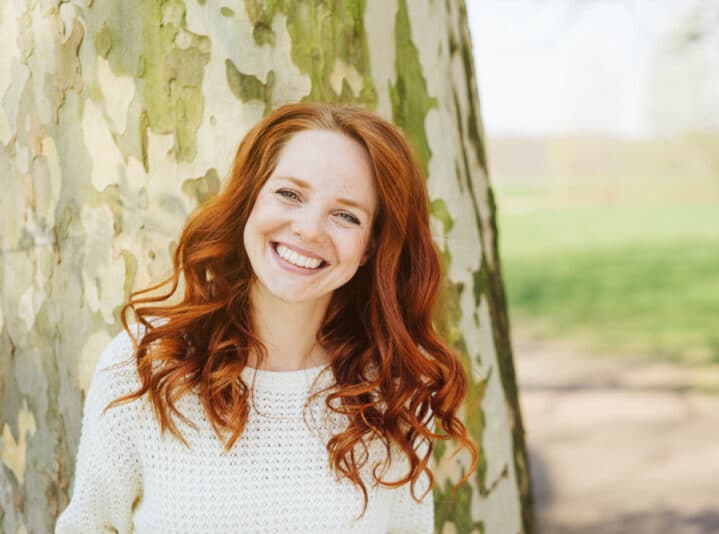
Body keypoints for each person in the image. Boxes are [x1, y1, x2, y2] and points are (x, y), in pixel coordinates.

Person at [55, 102, 477, 533]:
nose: (309, 229)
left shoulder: (395, 388)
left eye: (346, 216)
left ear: (371, 247)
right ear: (250, 200)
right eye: (290, 194)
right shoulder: (145, 364)